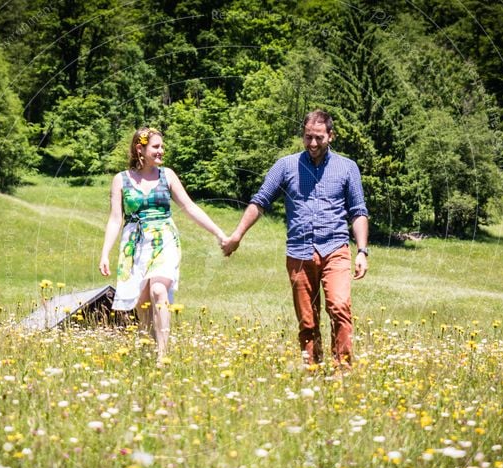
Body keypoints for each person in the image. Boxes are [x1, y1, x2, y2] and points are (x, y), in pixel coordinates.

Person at [221, 109, 369, 370]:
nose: (313, 144)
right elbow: (260, 200)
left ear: (331, 136)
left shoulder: (347, 167)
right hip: (299, 252)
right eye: (308, 137)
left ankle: (342, 372)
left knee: (339, 307)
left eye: (319, 138)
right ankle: (313, 369)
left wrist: (362, 251)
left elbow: (358, 212)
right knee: (308, 320)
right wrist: (237, 235)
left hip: (336, 248)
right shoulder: (286, 166)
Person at [100, 126, 226, 359]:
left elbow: (189, 207)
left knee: (159, 290)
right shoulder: (121, 180)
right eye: (156, 147)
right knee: (141, 302)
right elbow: (116, 219)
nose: (161, 151)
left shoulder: (166, 175)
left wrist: (218, 233)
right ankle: (147, 349)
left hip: (164, 240)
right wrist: (105, 253)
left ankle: (162, 356)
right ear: (140, 149)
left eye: (162, 146)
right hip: (134, 244)